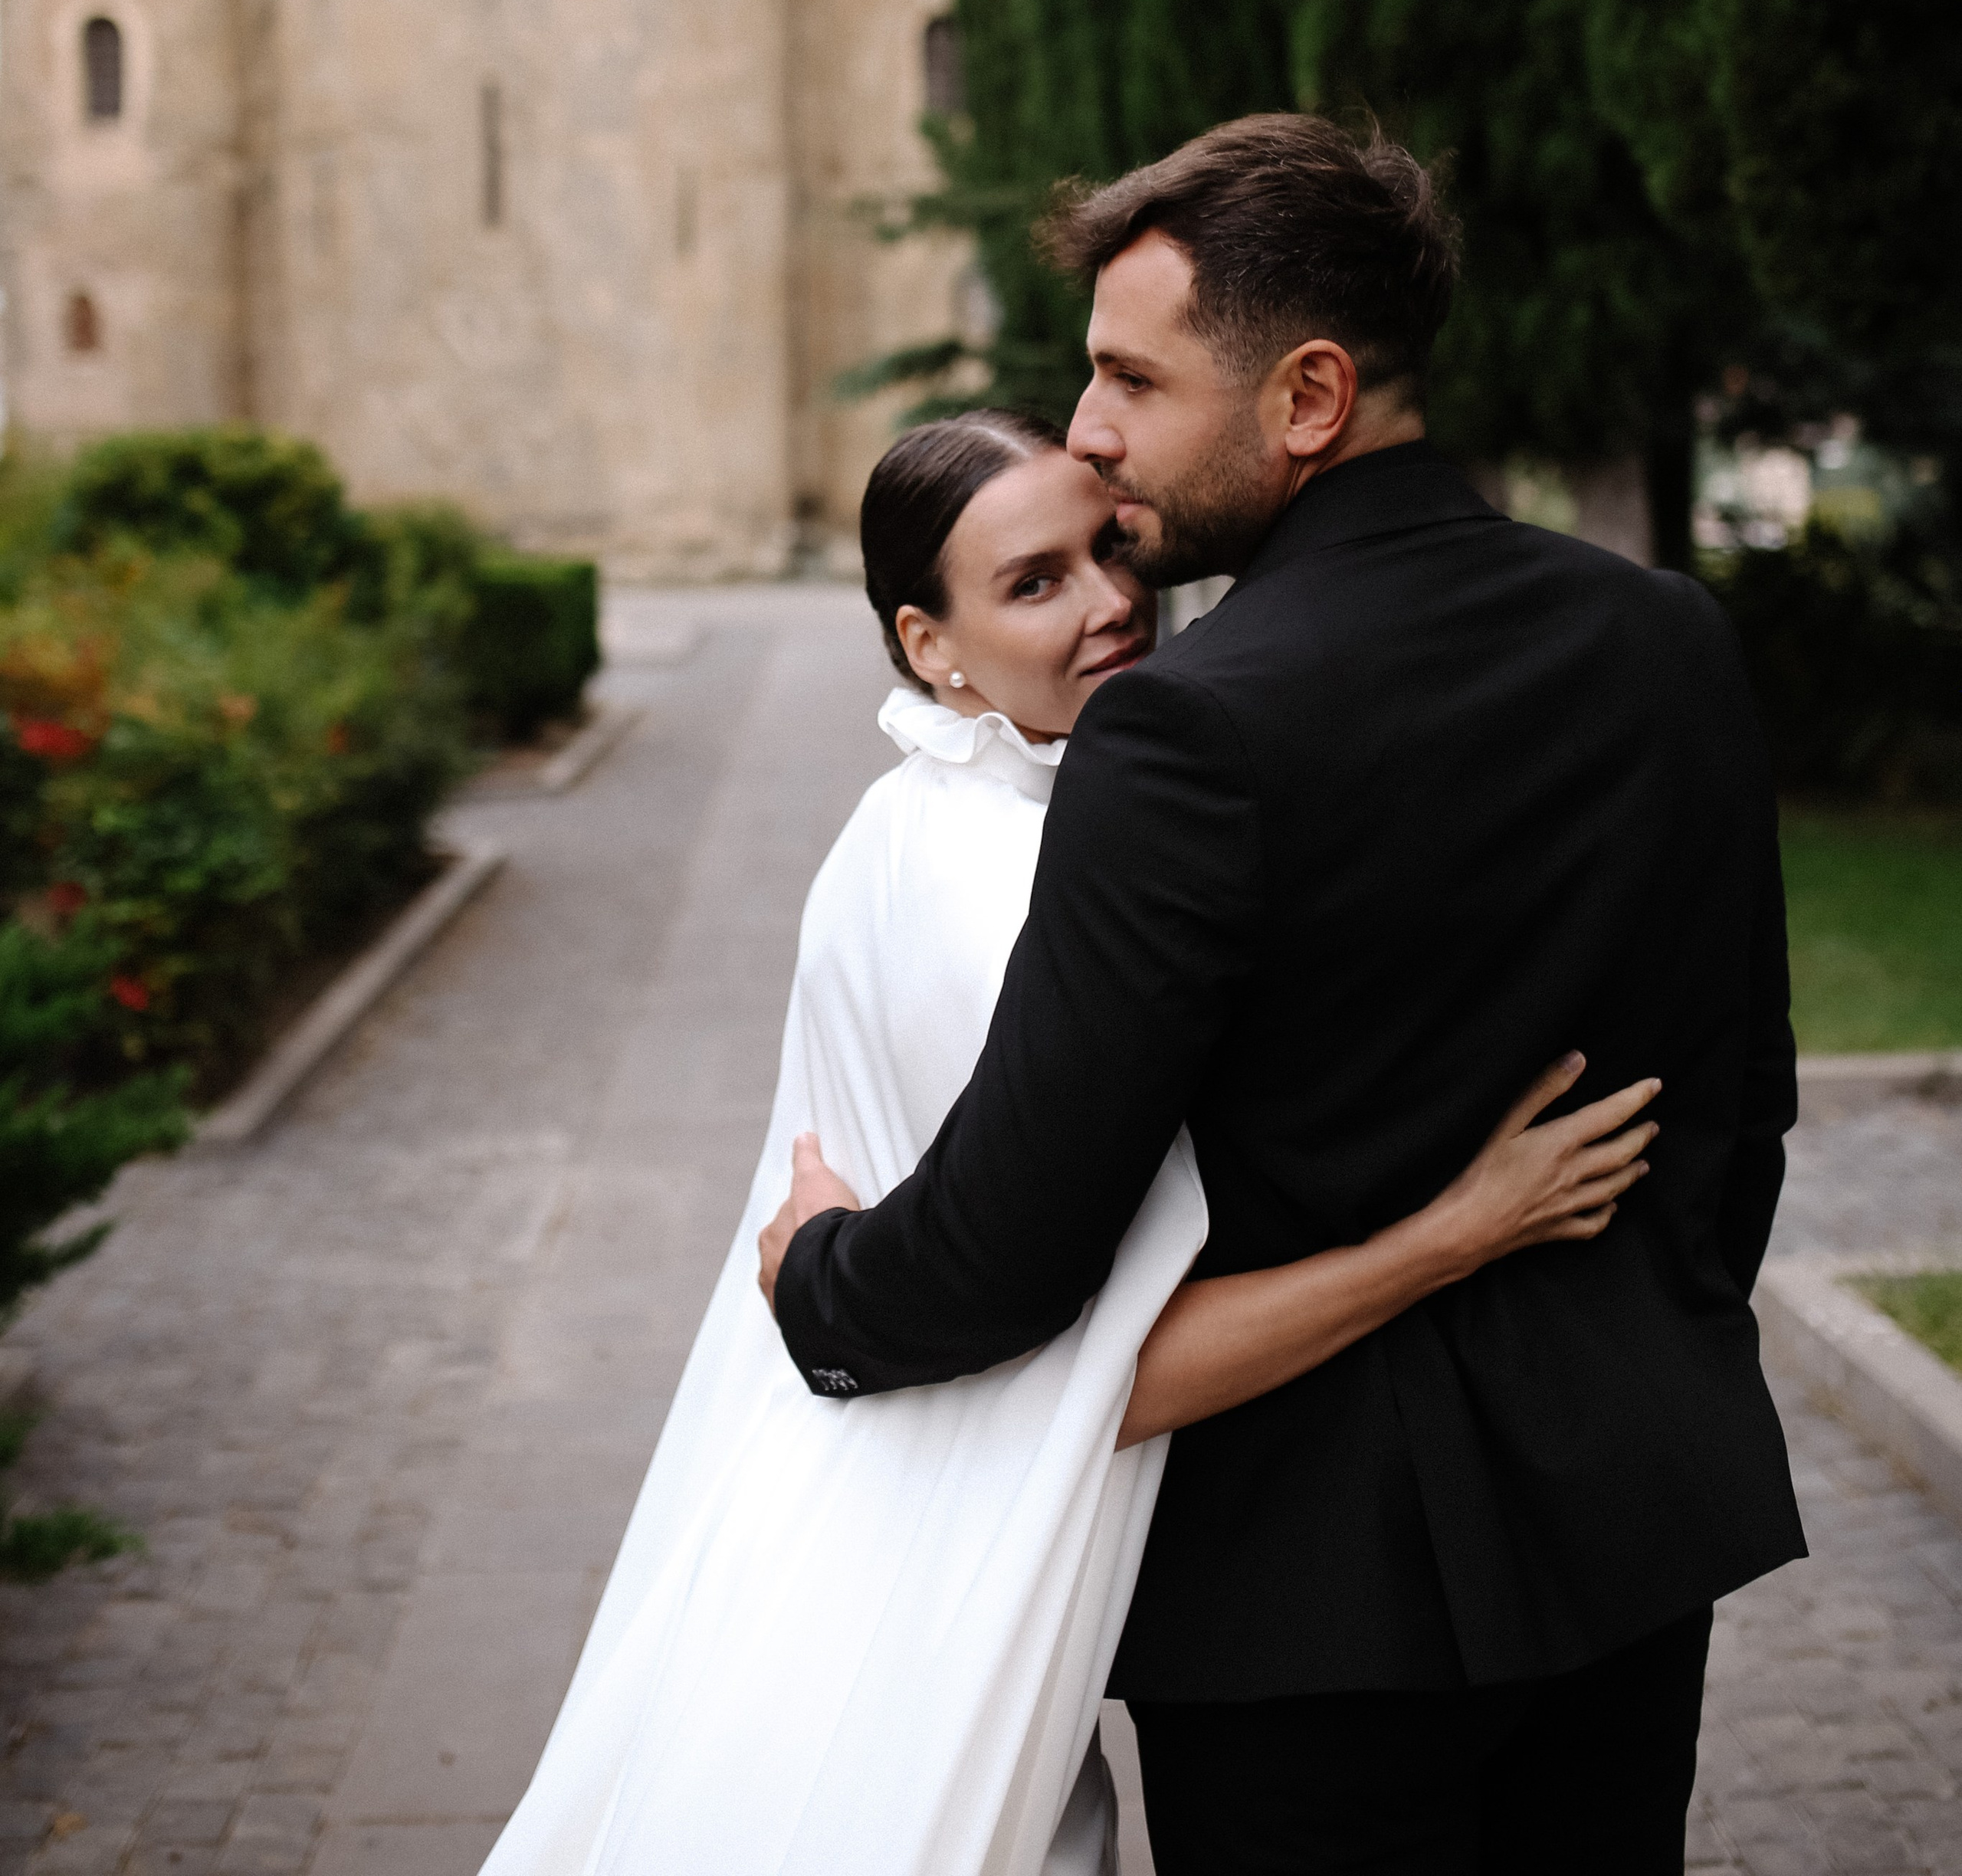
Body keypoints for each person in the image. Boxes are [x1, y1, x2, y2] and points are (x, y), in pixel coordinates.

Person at [767, 114, 1805, 1876]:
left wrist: (824, 1281)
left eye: (1127, 379)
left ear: (1305, 397)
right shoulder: (1666, 638)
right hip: (1632, 1523)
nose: (1085, 431)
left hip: (1300, 1613)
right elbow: (1738, 1121)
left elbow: (1019, 1239)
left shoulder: (1188, 732)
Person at [482, 408, 1659, 1876]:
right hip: (930, 1613)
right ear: (930, 645)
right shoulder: (1001, 886)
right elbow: (1082, 1380)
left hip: (864, 1543)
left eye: (1110, 546)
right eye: (1035, 582)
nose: (1113, 601)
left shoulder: (921, 816)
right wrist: (1452, 1234)